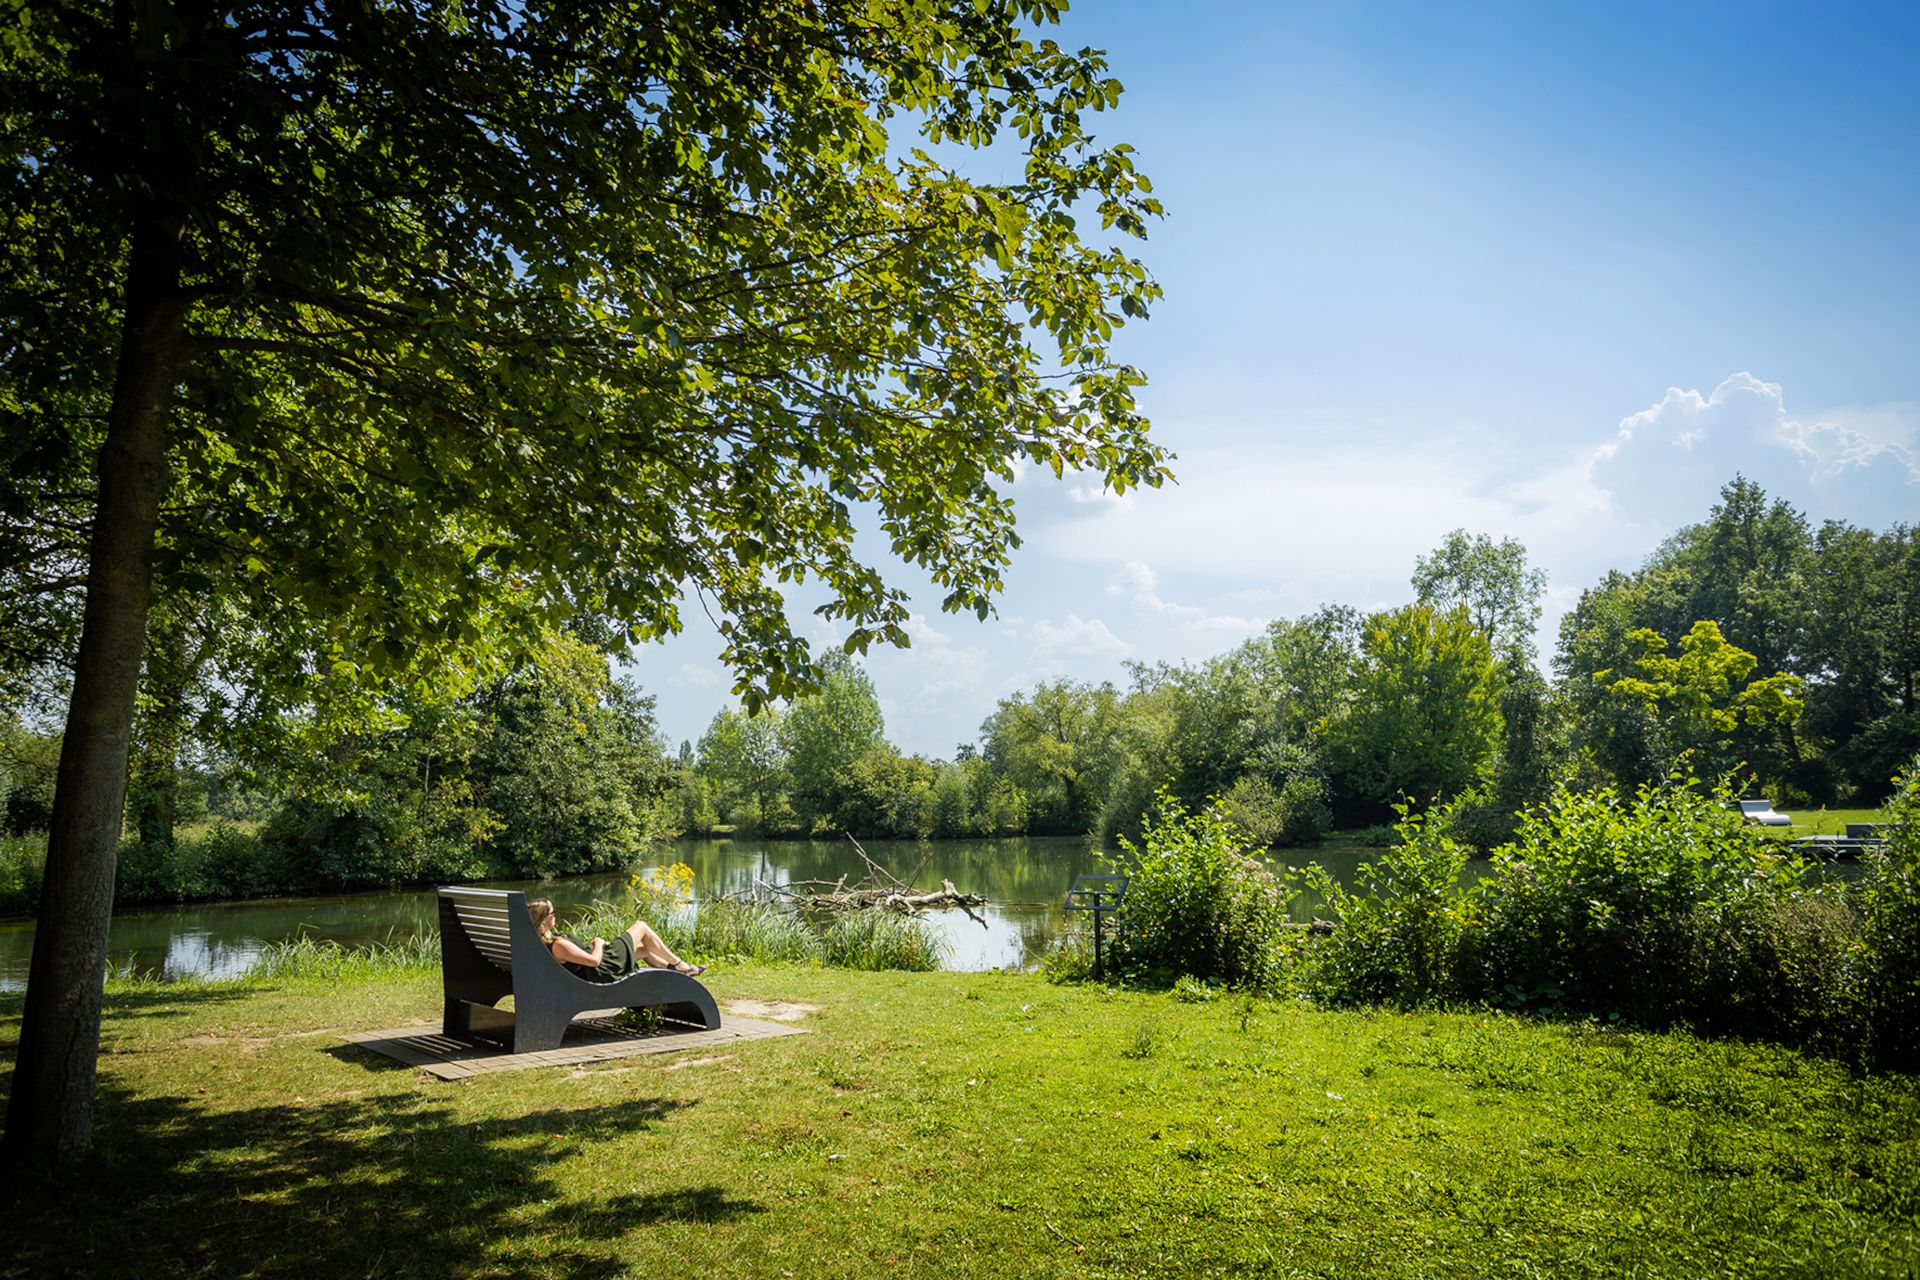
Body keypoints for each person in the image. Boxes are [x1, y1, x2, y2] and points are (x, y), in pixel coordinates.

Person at [527, 898, 706, 981]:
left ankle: (675, 971)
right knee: (641, 926)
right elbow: (594, 961)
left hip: (603, 961)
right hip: (604, 967)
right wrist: (598, 944)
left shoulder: (548, 941)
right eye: (553, 913)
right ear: (544, 919)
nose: (555, 915)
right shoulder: (558, 945)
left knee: (643, 949)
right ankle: (679, 964)